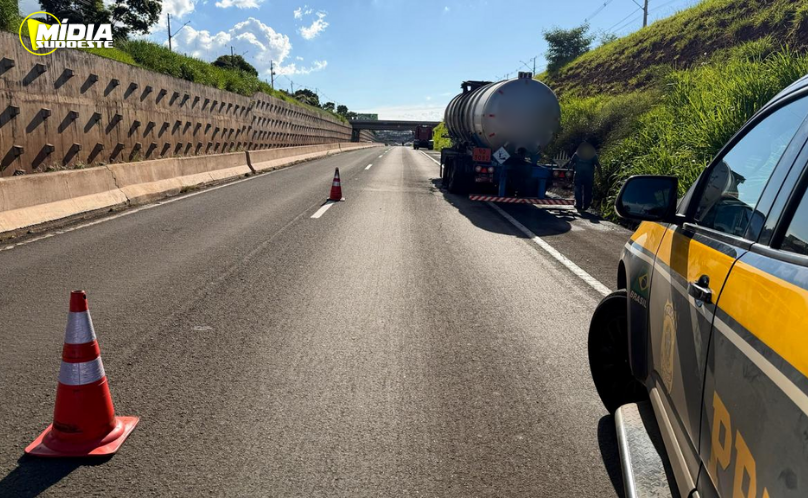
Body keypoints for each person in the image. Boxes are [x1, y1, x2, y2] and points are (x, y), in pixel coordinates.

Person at [565, 142, 602, 211]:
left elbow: (597, 165)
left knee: (584, 190)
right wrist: (568, 171)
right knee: (580, 190)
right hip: (582, 176)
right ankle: (581, 205)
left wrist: (568, 171)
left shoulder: (590, 155)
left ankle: (584, 205)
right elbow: (571, 162)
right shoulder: (577, 154)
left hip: (585, 176)